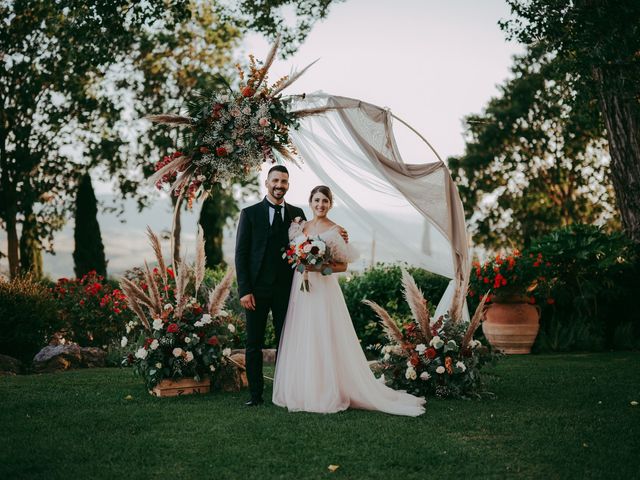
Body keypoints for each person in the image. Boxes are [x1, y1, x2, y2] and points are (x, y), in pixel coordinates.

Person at [272, 185, 426, 416]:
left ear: (330, 204)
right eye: (316, 200)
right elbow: (293, 256)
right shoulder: (299, 227)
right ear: (310, 202)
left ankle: (327, 389)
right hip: (301, 290)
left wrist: (319, 267)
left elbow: (343, 265)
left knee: (324, 335)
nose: (320, 205)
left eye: (325, 201)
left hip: (323, 289)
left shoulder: (335, 231)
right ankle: (303, 388)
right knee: (303, 334)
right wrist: (302, 263)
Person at [234, 165, 307, 406]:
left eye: (284, 181)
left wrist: (340, 235)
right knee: (253, 344)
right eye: (275, 180)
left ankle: (284, 392)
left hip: (286, 291)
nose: (279, 185)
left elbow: (310, 245)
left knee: (285, 343)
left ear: (288, 185)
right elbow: (241, 254)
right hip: (255, 291)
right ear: (267, 183)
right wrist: (244, 290)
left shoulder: (297, 215)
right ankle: (256, 395)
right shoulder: (250, 213)